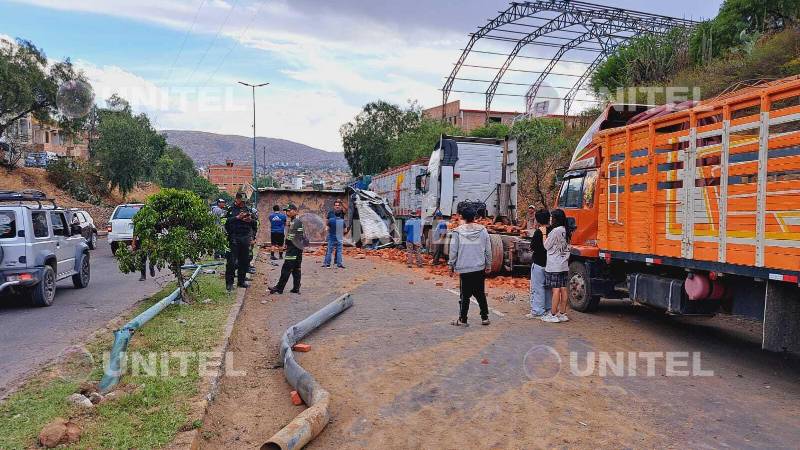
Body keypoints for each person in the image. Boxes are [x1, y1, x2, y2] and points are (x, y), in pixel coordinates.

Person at [448, 207, 492, 327]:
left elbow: (453, 251)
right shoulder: (483, 230)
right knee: (480, 293)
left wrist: (451, 265)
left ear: (462, 217)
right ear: (475, 217)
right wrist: (488, 264)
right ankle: (484, 318)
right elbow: (488, 250)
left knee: (465, 295)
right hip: (479, 267)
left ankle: (463, 319)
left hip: (464, 268)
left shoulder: (457, 231)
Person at [269, 204, 307, 294]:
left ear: (295, 211)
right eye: (286, 211)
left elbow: (291, 236)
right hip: (298, 247)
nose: (287, 212)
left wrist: (286, 243)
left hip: (293, 248)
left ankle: (279, 288)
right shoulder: (296, 221)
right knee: (296, 268)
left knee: (286, 268)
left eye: (289, 210)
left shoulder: (295, 221)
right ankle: (296, 288)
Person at [543, 209, 572, 323]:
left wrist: (545, 234)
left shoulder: (555, 231)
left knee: (555, 290)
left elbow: (546, 246)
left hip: (554, 264)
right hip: (564, 263)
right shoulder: (567, 230)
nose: (550, 219)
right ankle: (563, 313)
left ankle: (553, 314)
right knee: (563, 289)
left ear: (555, 219)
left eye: (552, 217)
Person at [526, 209, 553, 320]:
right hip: (550, 263)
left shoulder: (538, 232)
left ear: (538, 220)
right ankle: (548, 308)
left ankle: (537, 311)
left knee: (538, 287)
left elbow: (533, 247)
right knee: (548, 287)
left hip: (538, 262)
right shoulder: (553, 230)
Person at [224, 193, 254, 291]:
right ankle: (229, 283)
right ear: (236, 199)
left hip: (245, 237)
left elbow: (255, 223)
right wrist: (237, 218)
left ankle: (241, 281)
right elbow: (224, 222)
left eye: (244, 202)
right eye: (242, 201)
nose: (243, 204)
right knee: (231, 262)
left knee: (244, 261)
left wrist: (250, 220)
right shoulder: (229, 209)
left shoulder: (247, 209)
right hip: (234, 238)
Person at [323, 200, 348, 268]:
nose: (337, 206)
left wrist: (342, 202)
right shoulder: (330, 213)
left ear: (340, 206)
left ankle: (333, 263)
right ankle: (327, 262)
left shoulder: (342, 212)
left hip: (338, 231)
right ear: (334, 206)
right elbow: (327, 221)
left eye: (338, 205)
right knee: (332, 249)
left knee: (335, 249)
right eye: (336, 205)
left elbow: (346, 209)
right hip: (332, 232)